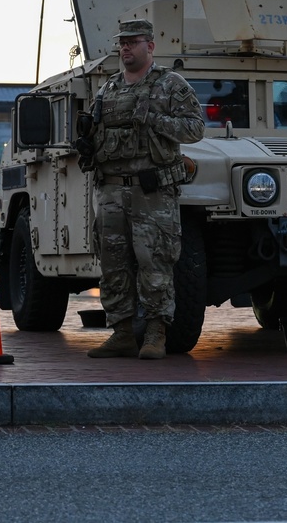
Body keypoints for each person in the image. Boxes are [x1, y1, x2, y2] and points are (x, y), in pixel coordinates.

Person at [83, 19, 205, 360]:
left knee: (155, 263)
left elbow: (195, 129)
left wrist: (154, 119)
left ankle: (155, 334)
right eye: (122, 42)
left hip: (151, 193)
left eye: (133, 42)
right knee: (113, 264)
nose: (125, 48)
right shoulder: (107, 89)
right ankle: (121, 332)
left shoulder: (170, 84)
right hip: (110, 191)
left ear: (150, 46)